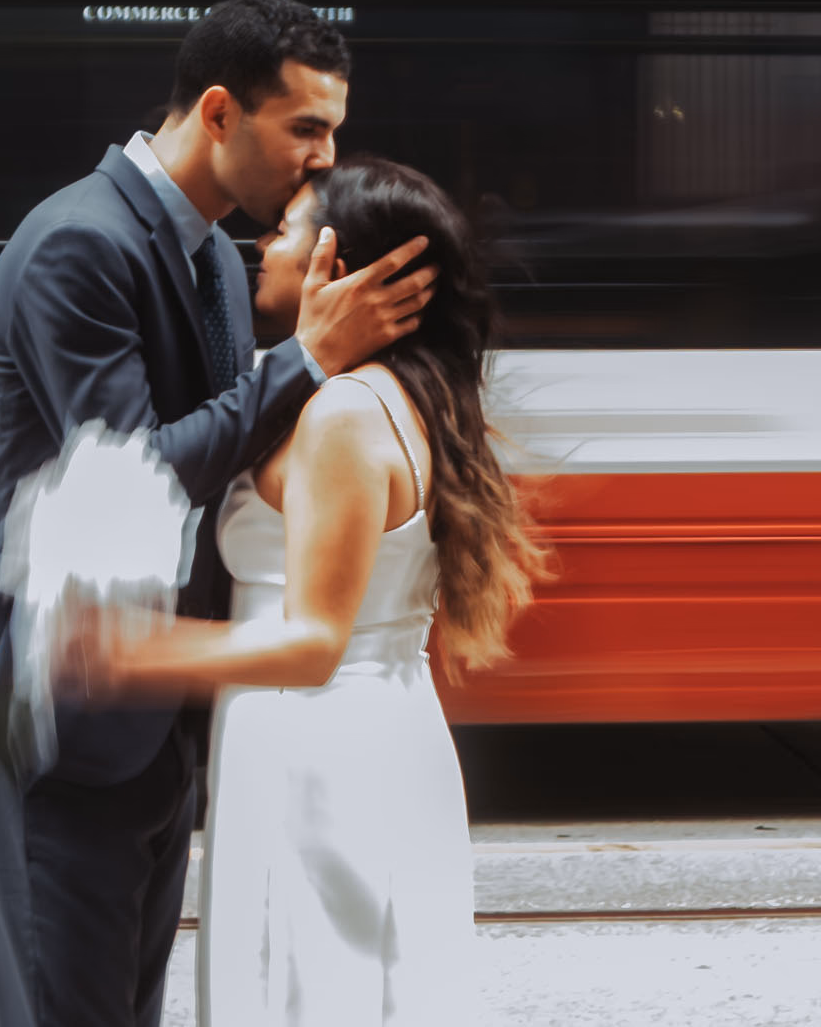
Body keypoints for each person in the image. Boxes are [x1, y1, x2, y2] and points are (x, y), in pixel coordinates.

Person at [0, 0, 437, 1027]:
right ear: (219, 112)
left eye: (333, 130)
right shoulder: (78, 245)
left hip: (158, 722)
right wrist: (306, 361)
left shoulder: (213, 254)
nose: (322, 158)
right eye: (306, 127)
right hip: (59, 714)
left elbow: (235, 443)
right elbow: (139, 474)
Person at [75, 157, 554, 1026]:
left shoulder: (342, 416)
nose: (264, 244)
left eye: (287, 229)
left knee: (304, 991)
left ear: (340, 264)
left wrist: (136, 649)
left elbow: (314, 641)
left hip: (315, 749)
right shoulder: (407, 395)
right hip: (369, 735)